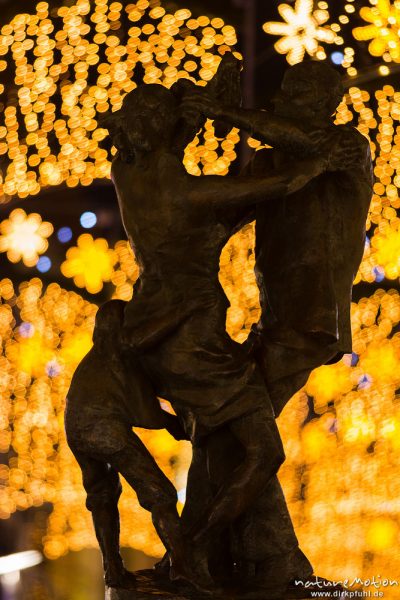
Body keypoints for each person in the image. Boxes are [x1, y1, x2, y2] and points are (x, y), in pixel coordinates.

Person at [104, 81, 347, 597]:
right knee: (261, 451)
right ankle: (197, 546)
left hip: (167, 333)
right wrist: (316, 166)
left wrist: (209, 94)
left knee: (225, 442)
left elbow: (171, 146)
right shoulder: (185, 193)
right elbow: (269, 190)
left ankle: (208, 551)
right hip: (193, 346)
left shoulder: (127, 169)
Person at [182, 59, 373, 591]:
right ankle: (246, 555)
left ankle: (259, 557)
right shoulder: (275, 161)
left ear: (325, 105)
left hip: (311, 322)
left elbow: (307, 141)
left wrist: (225, 111)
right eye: (289, 91)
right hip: (277, 323)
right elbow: (215, 214)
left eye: (302, 94)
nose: (288, 100)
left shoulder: (344, 148)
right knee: (227, 431)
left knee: (237, 431)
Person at [64, 300, 204, 592]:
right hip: (104, 430)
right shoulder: (118, 353)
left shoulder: (93, 360)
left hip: (76, 430)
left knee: (102, 495)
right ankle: (182, 569)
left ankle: (112, 569)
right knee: (161, 495)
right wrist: (186, 308)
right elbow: (145, 409)